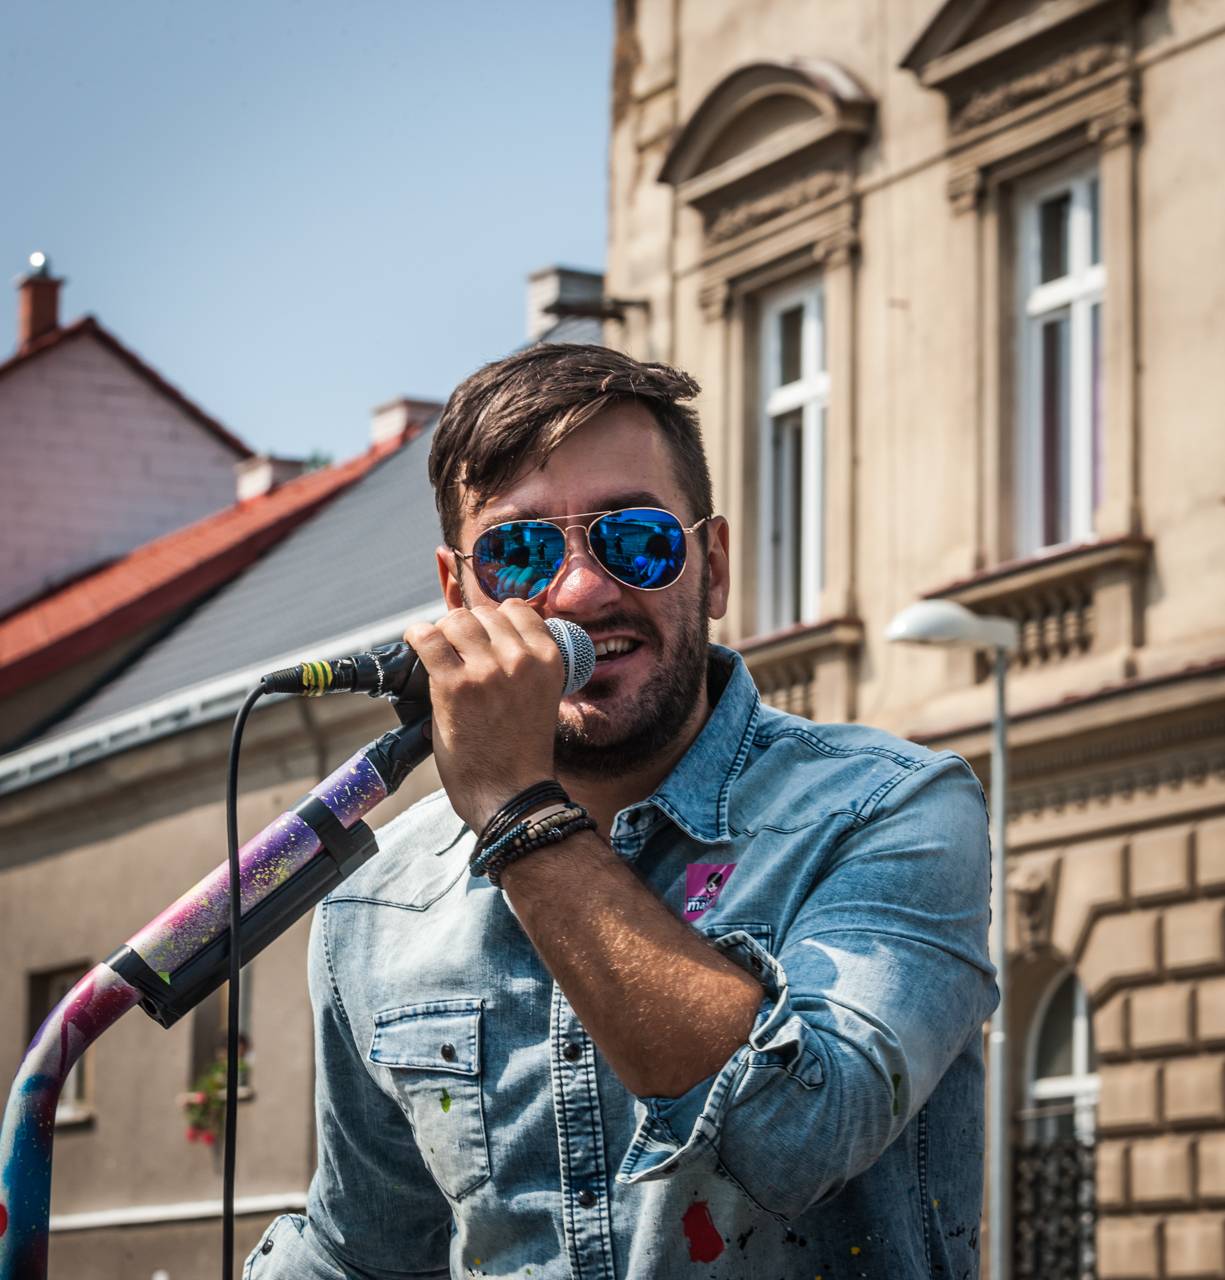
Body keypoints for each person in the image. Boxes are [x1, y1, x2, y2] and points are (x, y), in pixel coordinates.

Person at [247, 344, 997, 1279]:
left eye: (632, 537)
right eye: (517, 552)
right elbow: (365, 1254)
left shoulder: (887, 810)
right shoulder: (380, 903)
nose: (578, 592)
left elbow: (797, 1137)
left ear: (710, 566)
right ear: (457, 599)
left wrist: (521, 818)